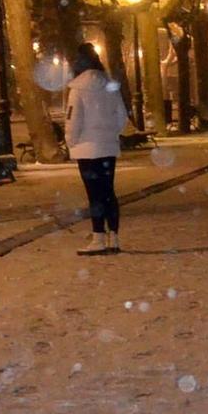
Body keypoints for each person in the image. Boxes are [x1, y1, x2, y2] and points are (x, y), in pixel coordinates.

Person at [63, 43, 128, 256]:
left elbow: (74, 120)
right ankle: (114, 236)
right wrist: (111, 133)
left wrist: (70, 141)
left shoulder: (77, 89)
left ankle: (98, 236)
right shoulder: (110, 86)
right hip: (108, 145)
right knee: (109, 191)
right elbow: (121, 117)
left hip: (86, 147)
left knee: (94, 194)